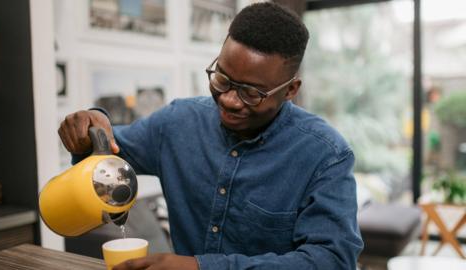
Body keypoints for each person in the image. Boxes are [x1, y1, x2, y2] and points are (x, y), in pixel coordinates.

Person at [59, 3, 363, 269]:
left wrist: (200, 267)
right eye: (222, 79)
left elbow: (332, 260)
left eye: (251, 93)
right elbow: (105, 156)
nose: (229, 100)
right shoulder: (177, 123)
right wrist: (89, 127)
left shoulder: (326, 155)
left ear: (290, 91)